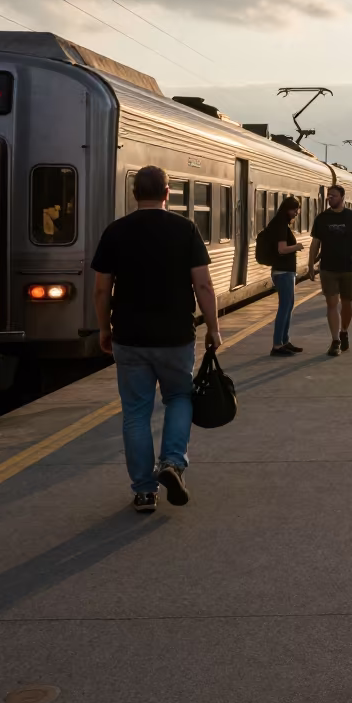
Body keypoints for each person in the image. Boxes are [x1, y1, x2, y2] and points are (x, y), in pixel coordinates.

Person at [92, 165, 221, 513]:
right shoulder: (185, 229)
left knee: (135, 413)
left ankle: (144, 492)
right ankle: (172, 462)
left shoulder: (115, 232)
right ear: (168, 193)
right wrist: (213, 327)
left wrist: (104, 328)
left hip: (130, 337)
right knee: (179, 397)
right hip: (176, 336)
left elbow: (102, 290)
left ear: (134, 193)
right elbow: (204, 285)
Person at [308, 184, 352, 356]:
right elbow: (315, 244)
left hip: (348, 267)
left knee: (347, 303)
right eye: (328, 195)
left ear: (342, 197)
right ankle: (335, 340)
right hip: (328, 268)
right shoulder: (322, 218)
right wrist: (311, 264)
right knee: (331, 304)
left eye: (333, 195)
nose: (330, 198)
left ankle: (344, 330)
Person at [264, 196, 304, 356]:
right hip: (283, 271)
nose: (296, 213)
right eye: (295, 210)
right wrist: (297, 246)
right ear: (288, 209)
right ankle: (277, 345)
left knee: (288, 306)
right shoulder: (280, 224)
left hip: (285, 271)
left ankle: (284, 341)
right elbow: (282, 249)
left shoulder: (281, 223)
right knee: (284, 307)